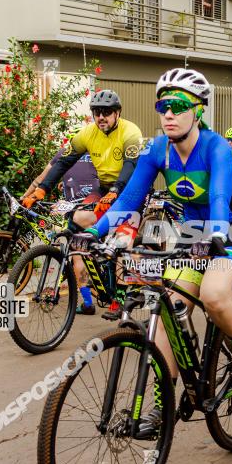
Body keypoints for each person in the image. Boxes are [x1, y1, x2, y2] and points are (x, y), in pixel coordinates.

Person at [84, 68, 232, 437]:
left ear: (198, 111)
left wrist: (214, 234)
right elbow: (130, 198)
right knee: (167, 307)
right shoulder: (156, 150)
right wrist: (93, 232)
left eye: (178, 105)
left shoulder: (215, 147)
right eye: (162, 105)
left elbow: (218, 196)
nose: (168, 113)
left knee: (215, 294)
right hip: (193, 234)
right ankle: (161, 405)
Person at [22, 90, 143, 319]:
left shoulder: (131, 132)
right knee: (75, 223)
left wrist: (116, 191)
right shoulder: (87, 133)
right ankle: (90, 285)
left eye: (107, 113)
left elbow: (130, 165)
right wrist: (42, 188)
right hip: (105, 189)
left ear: (117, 113)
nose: (101, 117)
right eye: (97, 113)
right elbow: (63, 162)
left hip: (130, 191)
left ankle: (120, 297)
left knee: (120, 241)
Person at [22, 121, 102, 315]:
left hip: (78, 211)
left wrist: (25, 197)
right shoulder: (97, 152)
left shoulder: (65, 153)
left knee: (76, 254)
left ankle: (89, 302)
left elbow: (40, 179)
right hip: (98, 207)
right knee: (89, 252)